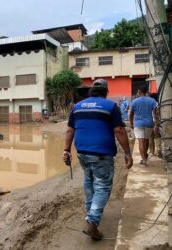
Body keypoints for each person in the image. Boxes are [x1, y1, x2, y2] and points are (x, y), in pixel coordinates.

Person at [63, 79, 133, 240]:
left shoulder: (77, 106)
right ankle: (92, 222)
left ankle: (91, 213)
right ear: (106, 92)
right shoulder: (110, 106)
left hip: (82, 153)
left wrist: (66, 150)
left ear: (91, 91)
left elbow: (69, 131)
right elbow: (119, 131)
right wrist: (128, 153)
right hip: (101, 154)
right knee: (102, 186)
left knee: (89, 181)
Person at [129, 85, 158, 166]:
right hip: (149, 123)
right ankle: (144, 156)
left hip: (138, 124)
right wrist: (156, 125)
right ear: (147, 92)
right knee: (146, 140)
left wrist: (131, 123)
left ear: (139, 91)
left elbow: (131, 114)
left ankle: (144, 159)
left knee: (141, 141)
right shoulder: (152, 101)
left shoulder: (135, 101)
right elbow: (155, 114)